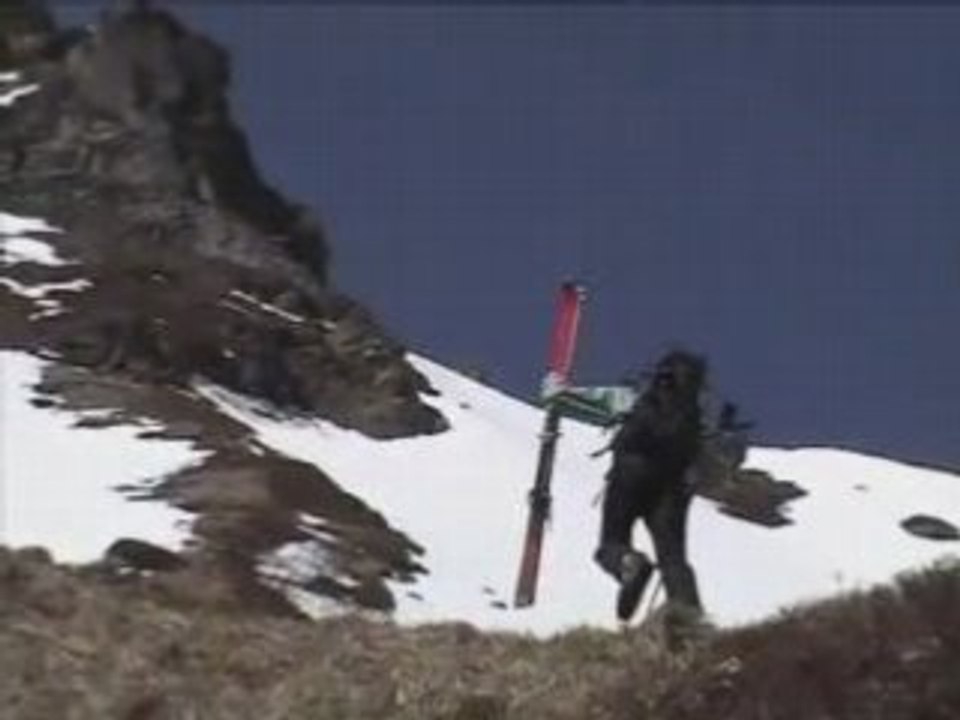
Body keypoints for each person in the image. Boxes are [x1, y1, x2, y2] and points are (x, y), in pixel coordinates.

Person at [591, 350, 707, 622]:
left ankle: (629, 564)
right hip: (673, 487)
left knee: (611, 542)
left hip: (631, 472)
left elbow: (596, 400)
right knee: (673, 559)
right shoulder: (692, 417)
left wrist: (558, 393)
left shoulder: (644, 399)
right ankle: (689, 619)